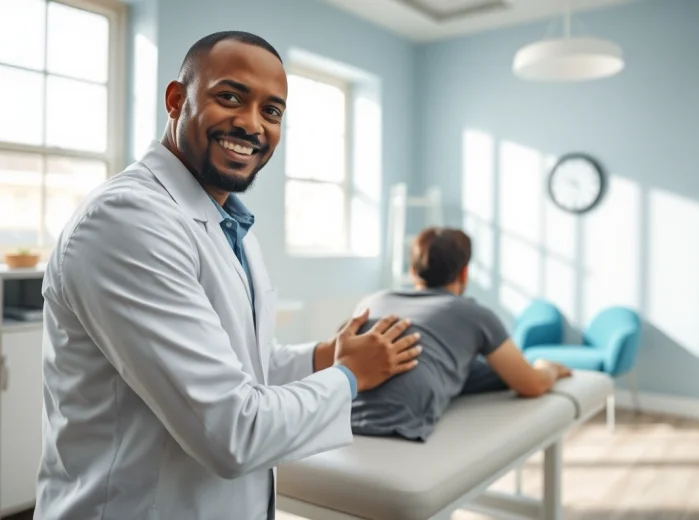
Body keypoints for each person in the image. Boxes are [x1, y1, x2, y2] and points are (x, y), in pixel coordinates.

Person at [34, 31, 422, 520]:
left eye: (272, 111)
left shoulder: (227, 223)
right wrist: (350, 377)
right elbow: (233, 432)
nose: (251, 124)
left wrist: (325, 356)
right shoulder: (127, 221)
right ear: (177, 101)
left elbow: (241, 364)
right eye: (231, 97)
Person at [350, 227, 572, 442]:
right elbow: (531, 385)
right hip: (397, 430)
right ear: (464, 273)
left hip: (336, 418)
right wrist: (548, 367)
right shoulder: (474, 314)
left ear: (413, 271)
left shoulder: (371, 302)